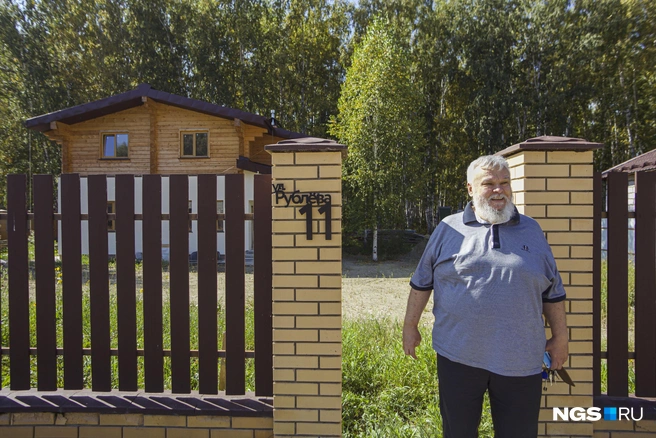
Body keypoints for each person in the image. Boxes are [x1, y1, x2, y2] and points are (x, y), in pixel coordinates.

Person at [402, 155, 568, 438]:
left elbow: (553, 291)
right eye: (489, 183)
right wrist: (410, 326)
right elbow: (421, 283)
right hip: (459, 358)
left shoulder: (532, 230)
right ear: (470, 189)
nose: (498, 190)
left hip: (521, 360)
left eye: (505, 183)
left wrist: (561, 337)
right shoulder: (448, 229)